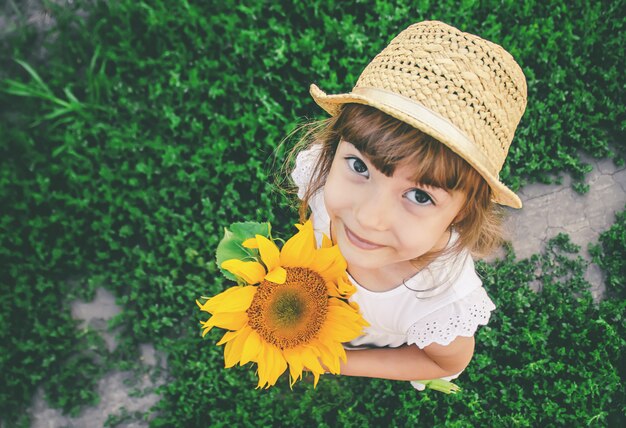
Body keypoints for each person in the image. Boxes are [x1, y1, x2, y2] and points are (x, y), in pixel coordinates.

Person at [289, 20, 527, 389]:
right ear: (335, 150)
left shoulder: (438, 301)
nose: (369, 217)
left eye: (420, 195)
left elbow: (440, 361)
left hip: (373, 335)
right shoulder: (322, 184)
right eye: (359, 166)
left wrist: (337, 360)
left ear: (462, 213)